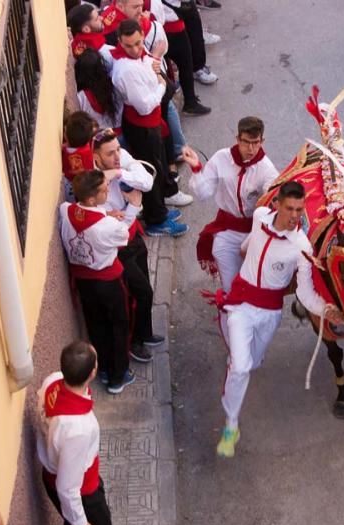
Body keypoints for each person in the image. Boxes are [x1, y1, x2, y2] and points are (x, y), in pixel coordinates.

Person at [214, 181, 336, 458]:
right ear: (277, 204)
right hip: (241, 305)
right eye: (290, 208)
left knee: (253, 362)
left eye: (300, 209)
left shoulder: (302, 246)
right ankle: (231, 425)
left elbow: (304, 290)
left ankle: (240, 357)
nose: (295, 215)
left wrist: (326, 310)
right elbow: (247, 247)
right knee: (241, 367)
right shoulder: (259, 218)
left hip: (269, 313)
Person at [36, 342, 117, 525]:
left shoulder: (53, 381)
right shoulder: (78, 428)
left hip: (60, 474)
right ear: (92, 373)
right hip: (82, 491)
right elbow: (67, 487)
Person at [91, 128, 167, 359]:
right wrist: (131, 206)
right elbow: (112, 224)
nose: (117, 156)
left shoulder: (119, 161)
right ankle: (134, 343)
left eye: (118, 150)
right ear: (96, 158)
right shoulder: (92, 183)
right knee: (140, 292)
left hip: (133, 236)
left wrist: (118, 173)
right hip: (118, 248)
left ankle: (144, 333)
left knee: (146, 288)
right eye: (109, 154)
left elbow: (145, 181)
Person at [60, 171, 136, 393]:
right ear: (92, 199)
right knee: (119, 325)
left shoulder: (66, 211)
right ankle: (118, 376)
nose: (107, 191)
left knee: (96, 324)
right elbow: (125, 235)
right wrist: (133, 207)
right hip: (108, 281)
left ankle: (102, 367)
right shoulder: (106, 227)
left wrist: (106, 214)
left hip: (83, 281)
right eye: (104, 189)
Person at [183, 116, 279, 292]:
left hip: (254, 233)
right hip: (227, 230)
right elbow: (203, 194)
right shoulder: (221, 158)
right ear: (237, 139)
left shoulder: (267, 170)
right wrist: (196, 168)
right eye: (246, 142)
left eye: (256, 143)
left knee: (252, 283)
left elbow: (271, 198)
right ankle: (228, 311)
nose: (251, 148)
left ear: (262, 141)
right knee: (230, 286)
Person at [111, 19, 186, 237]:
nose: (135, 49)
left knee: (158, 165)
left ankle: (159, 210)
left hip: (149, 123)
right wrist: (161, 86)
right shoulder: (126, 70)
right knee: (150, 171)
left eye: (138, 43)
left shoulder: (139, 56)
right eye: (129, 46)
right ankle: (156, 220)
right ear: (120, 42)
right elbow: (144, 106)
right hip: (141, 124)